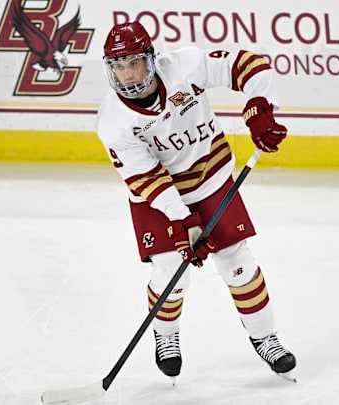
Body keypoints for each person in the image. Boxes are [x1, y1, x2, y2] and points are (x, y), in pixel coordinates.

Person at [96, 21, 296, 382]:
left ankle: (266, 339)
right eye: (118, 66)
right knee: (172, 274)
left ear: (152, 60)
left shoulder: (185, 65)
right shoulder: (113, 121)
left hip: (211, 180)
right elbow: (147, 178)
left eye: (133, 63)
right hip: (158, 198)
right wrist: (184, 220)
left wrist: (260, 105)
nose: (126, 75)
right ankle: (166, 336)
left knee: (239, 264)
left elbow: (249, 64)